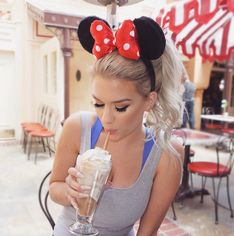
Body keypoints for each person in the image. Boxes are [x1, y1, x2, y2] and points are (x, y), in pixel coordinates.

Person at [49, 16, 184, 236]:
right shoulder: (76, 127)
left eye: (120, 107)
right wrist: (70, 192)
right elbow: (55, 187)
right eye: (98, 104)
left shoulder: (167, 155)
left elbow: (147, 232)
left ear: (149, 101)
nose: (106, 118)